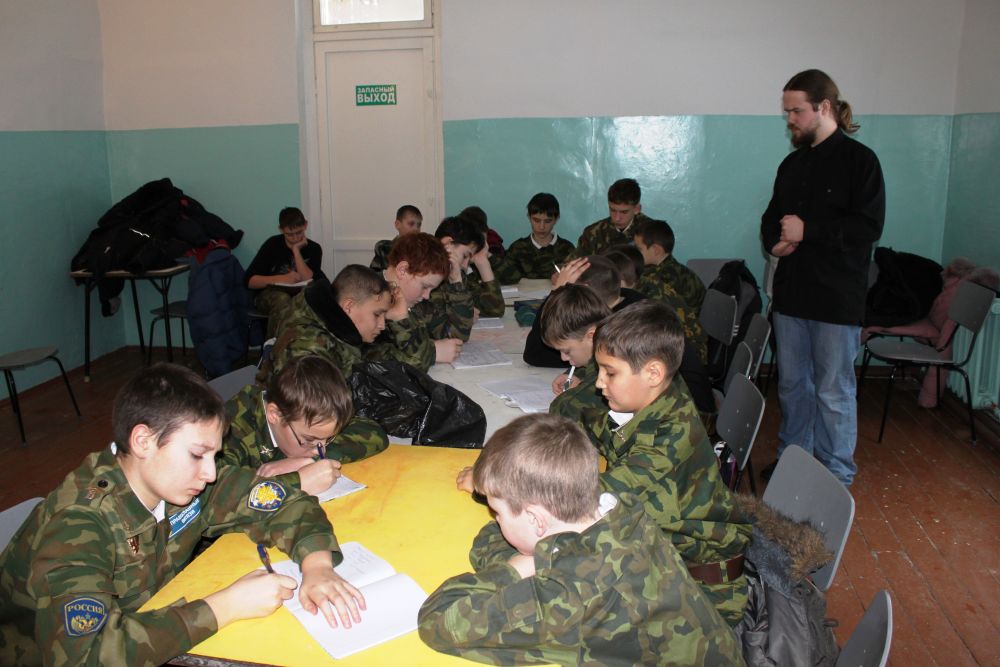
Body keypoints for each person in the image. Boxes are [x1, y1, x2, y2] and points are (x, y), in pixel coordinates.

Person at [0, 363, 365, 666]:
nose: (210, 473)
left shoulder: (179, 484)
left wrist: (317, 567)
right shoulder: (77, 525)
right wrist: (224, 607)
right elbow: (85, 656)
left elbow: (286, 501)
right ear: (143, 441)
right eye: (197, 454)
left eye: (214, 456)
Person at [420, 414, 743, 666]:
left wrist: (514, 570)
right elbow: (493, 540)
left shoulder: (571, 596)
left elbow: (439, 621)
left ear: (536, 519)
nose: (495, 521)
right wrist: (527, 559)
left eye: (498, 512)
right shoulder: (622, 515)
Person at [583, 301, 752, 626]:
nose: (599, 383)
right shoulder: (660, 399)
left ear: (653, 373)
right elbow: (600, 426)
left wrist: (515, 480)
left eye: (610, 372)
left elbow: (594, 496)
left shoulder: (669, 439)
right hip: (665, 564)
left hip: (701, 596)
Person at [760, 69, 885, 487]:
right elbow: (771, 218)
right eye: (787, 111)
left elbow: (868, 227)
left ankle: (835, 477)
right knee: (793, 386)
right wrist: (775, 243)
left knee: (833, 391)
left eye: (797, 111)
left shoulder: (860, 162)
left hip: (835, 299)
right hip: (792, 295)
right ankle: (793, 462)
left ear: (824, 107)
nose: (790, 120)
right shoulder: (792, 164)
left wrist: (807, 231)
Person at [222, 355, 387, 495]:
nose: (320, 450)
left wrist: (306, 461)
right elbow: (216, 500)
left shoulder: (302, 413)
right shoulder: (226, 433)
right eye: (309, 440)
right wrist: (297, 481)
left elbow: (374, 432)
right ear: (274, 415)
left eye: (328, 439)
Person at [262, 264, 393, 383]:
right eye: (377, 314)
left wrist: (399, 318)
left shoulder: (346, 332)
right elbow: (317, 400)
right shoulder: (307, 347)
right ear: (349, 306)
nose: (382, 325)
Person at [368, 232, 464, 368]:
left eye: (432, 289)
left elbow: (456, 334)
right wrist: (433, 352)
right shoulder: (369, 299)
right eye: (425, 286)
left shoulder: (413, 299)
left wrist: (456, 280)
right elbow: (375, 364)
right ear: (402, 270)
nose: (427, 296)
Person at [245, 207, 326, 337]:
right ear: (281, 229)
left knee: (312, 300)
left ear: (305, 225)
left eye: (299, 232)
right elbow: (249, 281)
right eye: (289, 234)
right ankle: (274, 345)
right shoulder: (272, 245)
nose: (295, 238)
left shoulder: (314, 248)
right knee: (283, 299)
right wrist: (282, 279)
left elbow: (307, 278)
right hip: (269, 295)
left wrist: (296, 250)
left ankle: (304, 344)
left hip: (300, 294)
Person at [494, 193, 575, 284]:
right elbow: (503, 278)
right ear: (529, 217)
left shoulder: (567, 249)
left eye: (547, 221)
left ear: (556, 219)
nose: (541, 227)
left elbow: (579, 281)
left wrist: (565, 279)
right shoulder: (517, 248)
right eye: (536, 220)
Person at [634, 218, 706, 315]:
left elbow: (653, 312)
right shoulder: (665, 267)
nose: (635, 253)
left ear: (656, 250)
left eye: (639, 249)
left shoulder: (666, 276)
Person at [571, 178, 652, 257]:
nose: (617, 218)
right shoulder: (593, 233)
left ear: (637, 209)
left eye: (624, 212)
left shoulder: (653, 233)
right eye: (612, 210)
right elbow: (573, 263)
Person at [455, 208, 506, 318]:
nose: (479, 249)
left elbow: (494, 310)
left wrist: (483, 262)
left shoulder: (468, 270)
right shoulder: (445, 271)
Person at [370, 204, 423, 272]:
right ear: (397, 224)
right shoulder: (385, 249)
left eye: (419, 225)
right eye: (411, 224)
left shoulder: (423, 249)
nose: (416, 228)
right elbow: (374, 275)